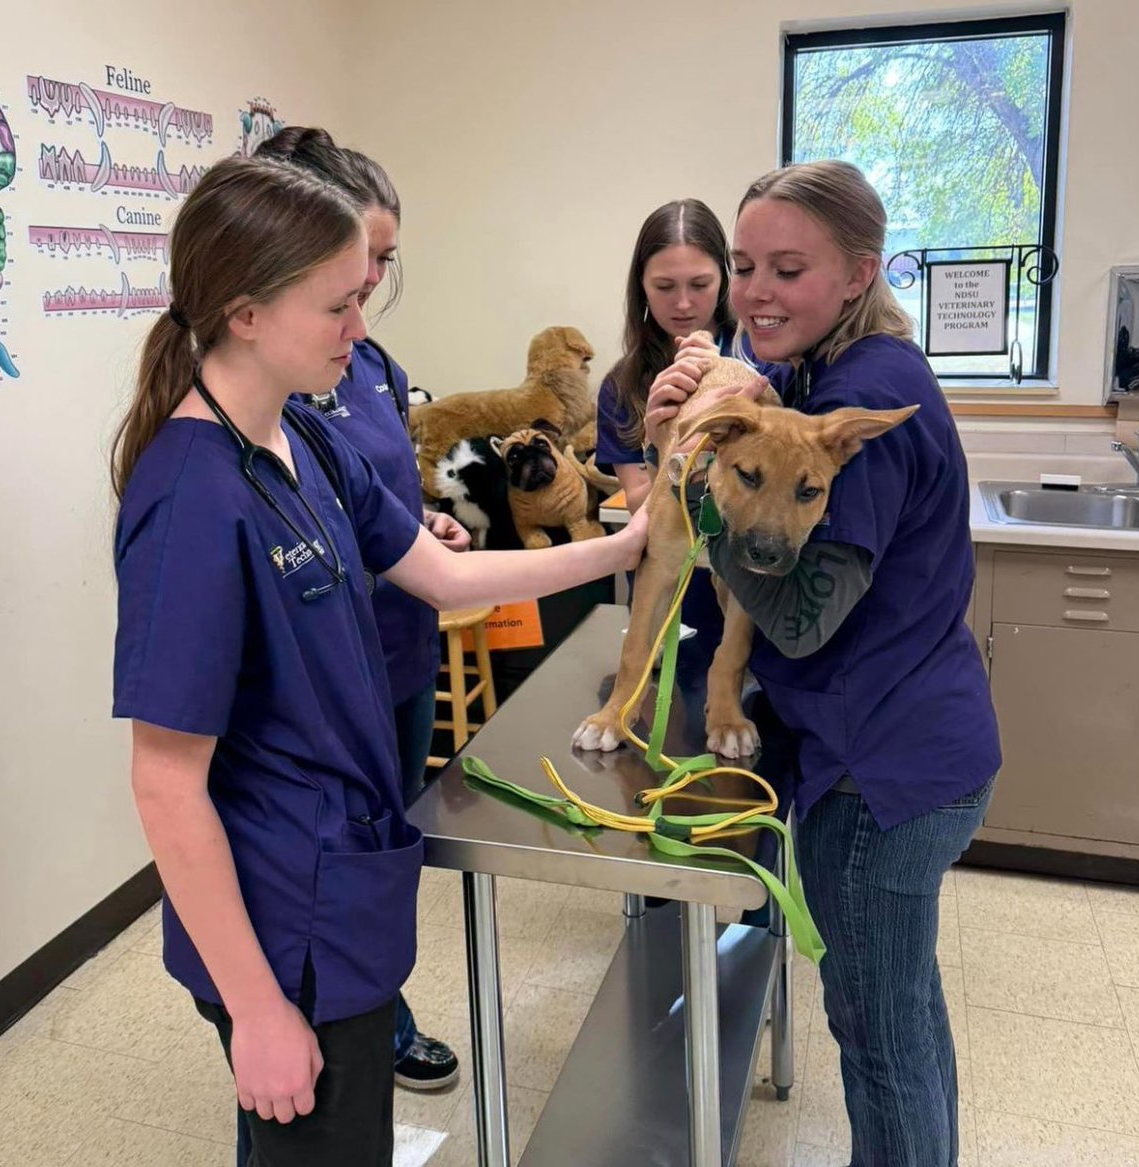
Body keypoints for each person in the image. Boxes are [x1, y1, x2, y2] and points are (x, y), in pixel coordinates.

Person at [111, 154, 647, 1167]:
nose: (361, 332)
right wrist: (259, 1011)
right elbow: (165, 781)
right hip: (280, 919)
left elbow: (442, 581)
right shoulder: (191, 501)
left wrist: (621, 548)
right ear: (244, 314)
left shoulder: (302, 443)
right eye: (338, 306)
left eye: (364, 297)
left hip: (339, 882)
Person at [645, 160, 999, 1167]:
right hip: (913, 749)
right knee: (906, 1020)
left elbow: (797, 618)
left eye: (788, 269)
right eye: (744, 265)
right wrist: (696, 416)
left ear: (857, 273)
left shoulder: (865, 410)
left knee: (881, 1045)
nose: (754, 292)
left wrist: (706, 485)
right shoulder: (826, 375)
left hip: (881, 774)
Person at [253, 127, 462, 1104]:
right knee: (328, 873)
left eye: (383, 262)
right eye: (358, 263)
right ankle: (331, 1021)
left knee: (389, 852)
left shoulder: (367, 366)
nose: (370, 286)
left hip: (403, 647)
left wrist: (422, 524)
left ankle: (381, 1010)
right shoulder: (270, 398)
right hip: (327, 676)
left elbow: (373, 497)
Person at [595, 199, 746, 739]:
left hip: (748, 592)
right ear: (640, 286)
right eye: (664, 287)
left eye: (701, 284)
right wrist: (665, 446)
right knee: (665, 740)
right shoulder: (623, 387)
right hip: (672, 596)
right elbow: (642, 505)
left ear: (726, 279)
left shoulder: (761, 366)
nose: (683, 304)